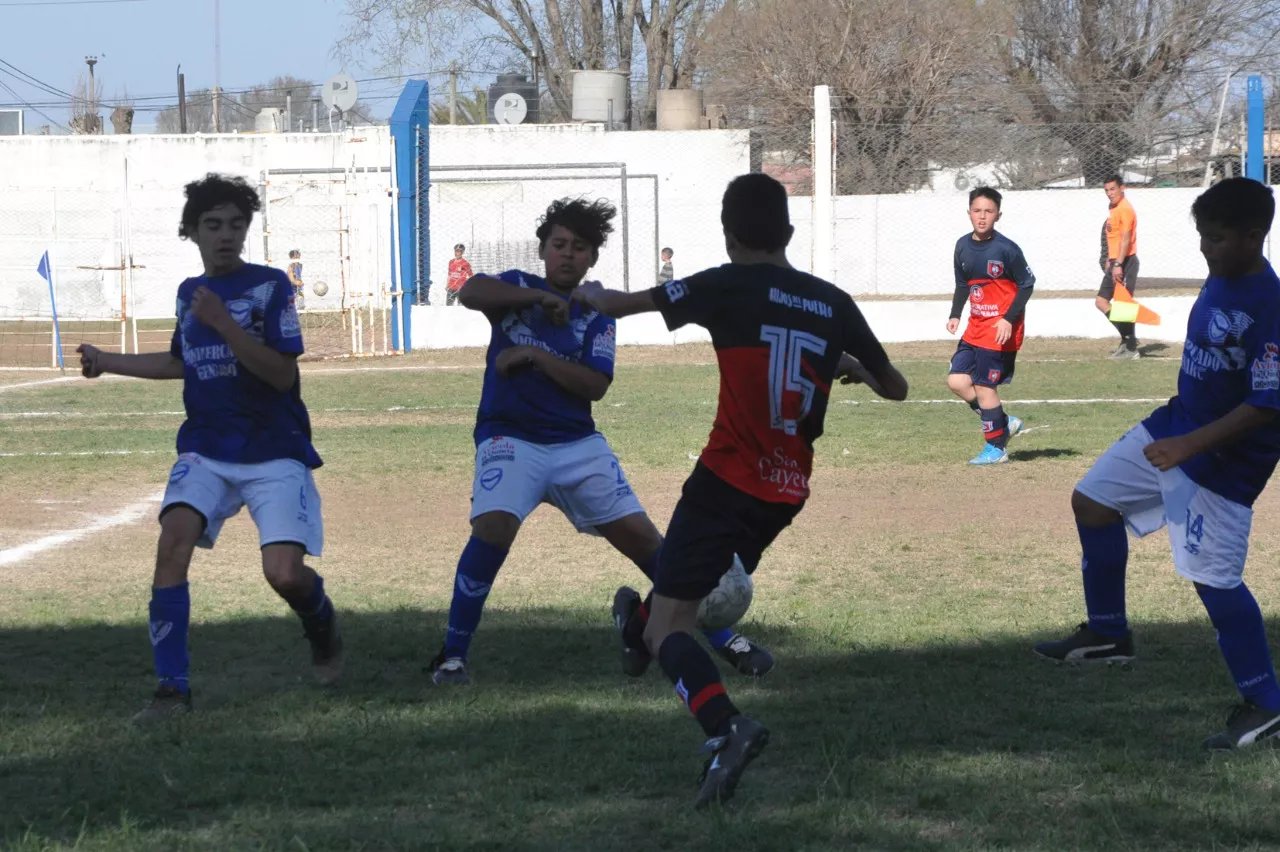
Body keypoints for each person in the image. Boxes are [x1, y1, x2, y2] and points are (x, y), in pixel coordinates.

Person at [573, 173, 909, 808]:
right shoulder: (833, 302)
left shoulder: (722, 284)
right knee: (684, 591)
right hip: (784, 493)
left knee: (668, 631)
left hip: (725, 479)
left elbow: (621, 304)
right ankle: (634, 621)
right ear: (787, 232)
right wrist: (852, 366)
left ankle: (725, 727)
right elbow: (898, 388)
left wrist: (589, 294)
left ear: (729, 236)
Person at [428, 197, 776, 687]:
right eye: (559, 245)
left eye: (580, 248)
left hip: (577, 446)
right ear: (543, 249)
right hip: (510, 438)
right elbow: (470, 292)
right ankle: (452, 657)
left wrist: (533, 353)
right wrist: (532, 302)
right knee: (493, 527)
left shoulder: (596, 313)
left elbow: (594, 385)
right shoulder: (518, 286)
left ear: (592, 258)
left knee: (646, 541)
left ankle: (725, 639)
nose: (568, 255)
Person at [75, 174, 343, 725]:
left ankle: (321, 625)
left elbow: (280, 374)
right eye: (213, 225)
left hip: (274, 449)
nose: (226, 235)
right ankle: (172, 691)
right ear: (192, 231)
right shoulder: (186, 293)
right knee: (173, 541)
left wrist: (224, 325)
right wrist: (109, 361)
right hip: (206, 448)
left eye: (236, 224)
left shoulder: (270, 286)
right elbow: (181, 361)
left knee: (285, 574)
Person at [1035, 178, 1280, 751]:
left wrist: (1190, 448)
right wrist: (1179, 437)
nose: (1206, 249)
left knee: (1212, 579)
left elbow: (1268, 405)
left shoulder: (1270, 304)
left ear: (1253, 236)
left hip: (1222, 460)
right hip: (1174, 425)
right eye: (1202, 237)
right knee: (1091, 502)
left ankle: (1268, 704)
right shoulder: (1222, 277)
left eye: (1216, 239)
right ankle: (1108, 634)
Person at [945, 187, 1035, 465]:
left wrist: (1008, 318)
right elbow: (963, 284)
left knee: (985, 387)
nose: (982, 217)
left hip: (1000, 329)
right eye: (977, 210)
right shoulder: (962, 245)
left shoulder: (1007, 249)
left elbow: (1027, 284)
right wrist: (955, 314)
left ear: (998, 215)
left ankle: (996, 448)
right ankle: (1003, 422)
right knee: (957, 381)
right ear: (969, 212)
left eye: (989, 211)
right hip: (975, 327)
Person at [1096, 175, 1141, 359]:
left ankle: (1130, 347)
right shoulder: (1113, 208)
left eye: (1113, 189)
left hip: (1126, 262)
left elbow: (1125, 239)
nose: (1109, 193)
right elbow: (1113, 235)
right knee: (1101, 301)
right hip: (1115, 260)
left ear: (1122, 188)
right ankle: (1128, 339)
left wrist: (1118, 263)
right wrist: (1109, 257)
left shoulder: (1125, 209)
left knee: (1123, 305)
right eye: (1106, 190)